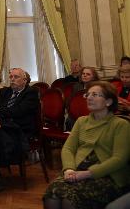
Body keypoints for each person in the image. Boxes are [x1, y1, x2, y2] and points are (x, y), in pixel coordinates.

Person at [43, 81, 130, 209]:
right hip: (77, 170)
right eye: (88, 95)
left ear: (108, 102)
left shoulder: (120, 125)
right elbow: (68, 148)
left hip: (108, 176)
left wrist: (87, 174)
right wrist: (68, 169)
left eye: (95, 94)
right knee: (52, 193)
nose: (89, 97)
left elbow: (119, 159)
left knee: (70, 200)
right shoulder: (81, 121)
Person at [0, 68, 40, 195]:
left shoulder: (31, 93)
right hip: (4, 126)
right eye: (11, 77)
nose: (12, 79)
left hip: (20, 130)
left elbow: (18, 111)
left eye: (16, 77)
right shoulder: (5, 91)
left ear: (24, 80)